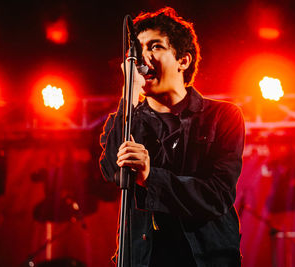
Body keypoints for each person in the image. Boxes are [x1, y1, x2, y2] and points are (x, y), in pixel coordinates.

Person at [99, 7, 245, 267]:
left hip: (205, 259)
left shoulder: (222, 116)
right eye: (138, 49)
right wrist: (129, 97)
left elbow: (217, 196)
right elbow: (112, 170)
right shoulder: (125, 119)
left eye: (154, 47)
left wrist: (150, 176)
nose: (142, 58)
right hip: (144, 260)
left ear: (183, 60)